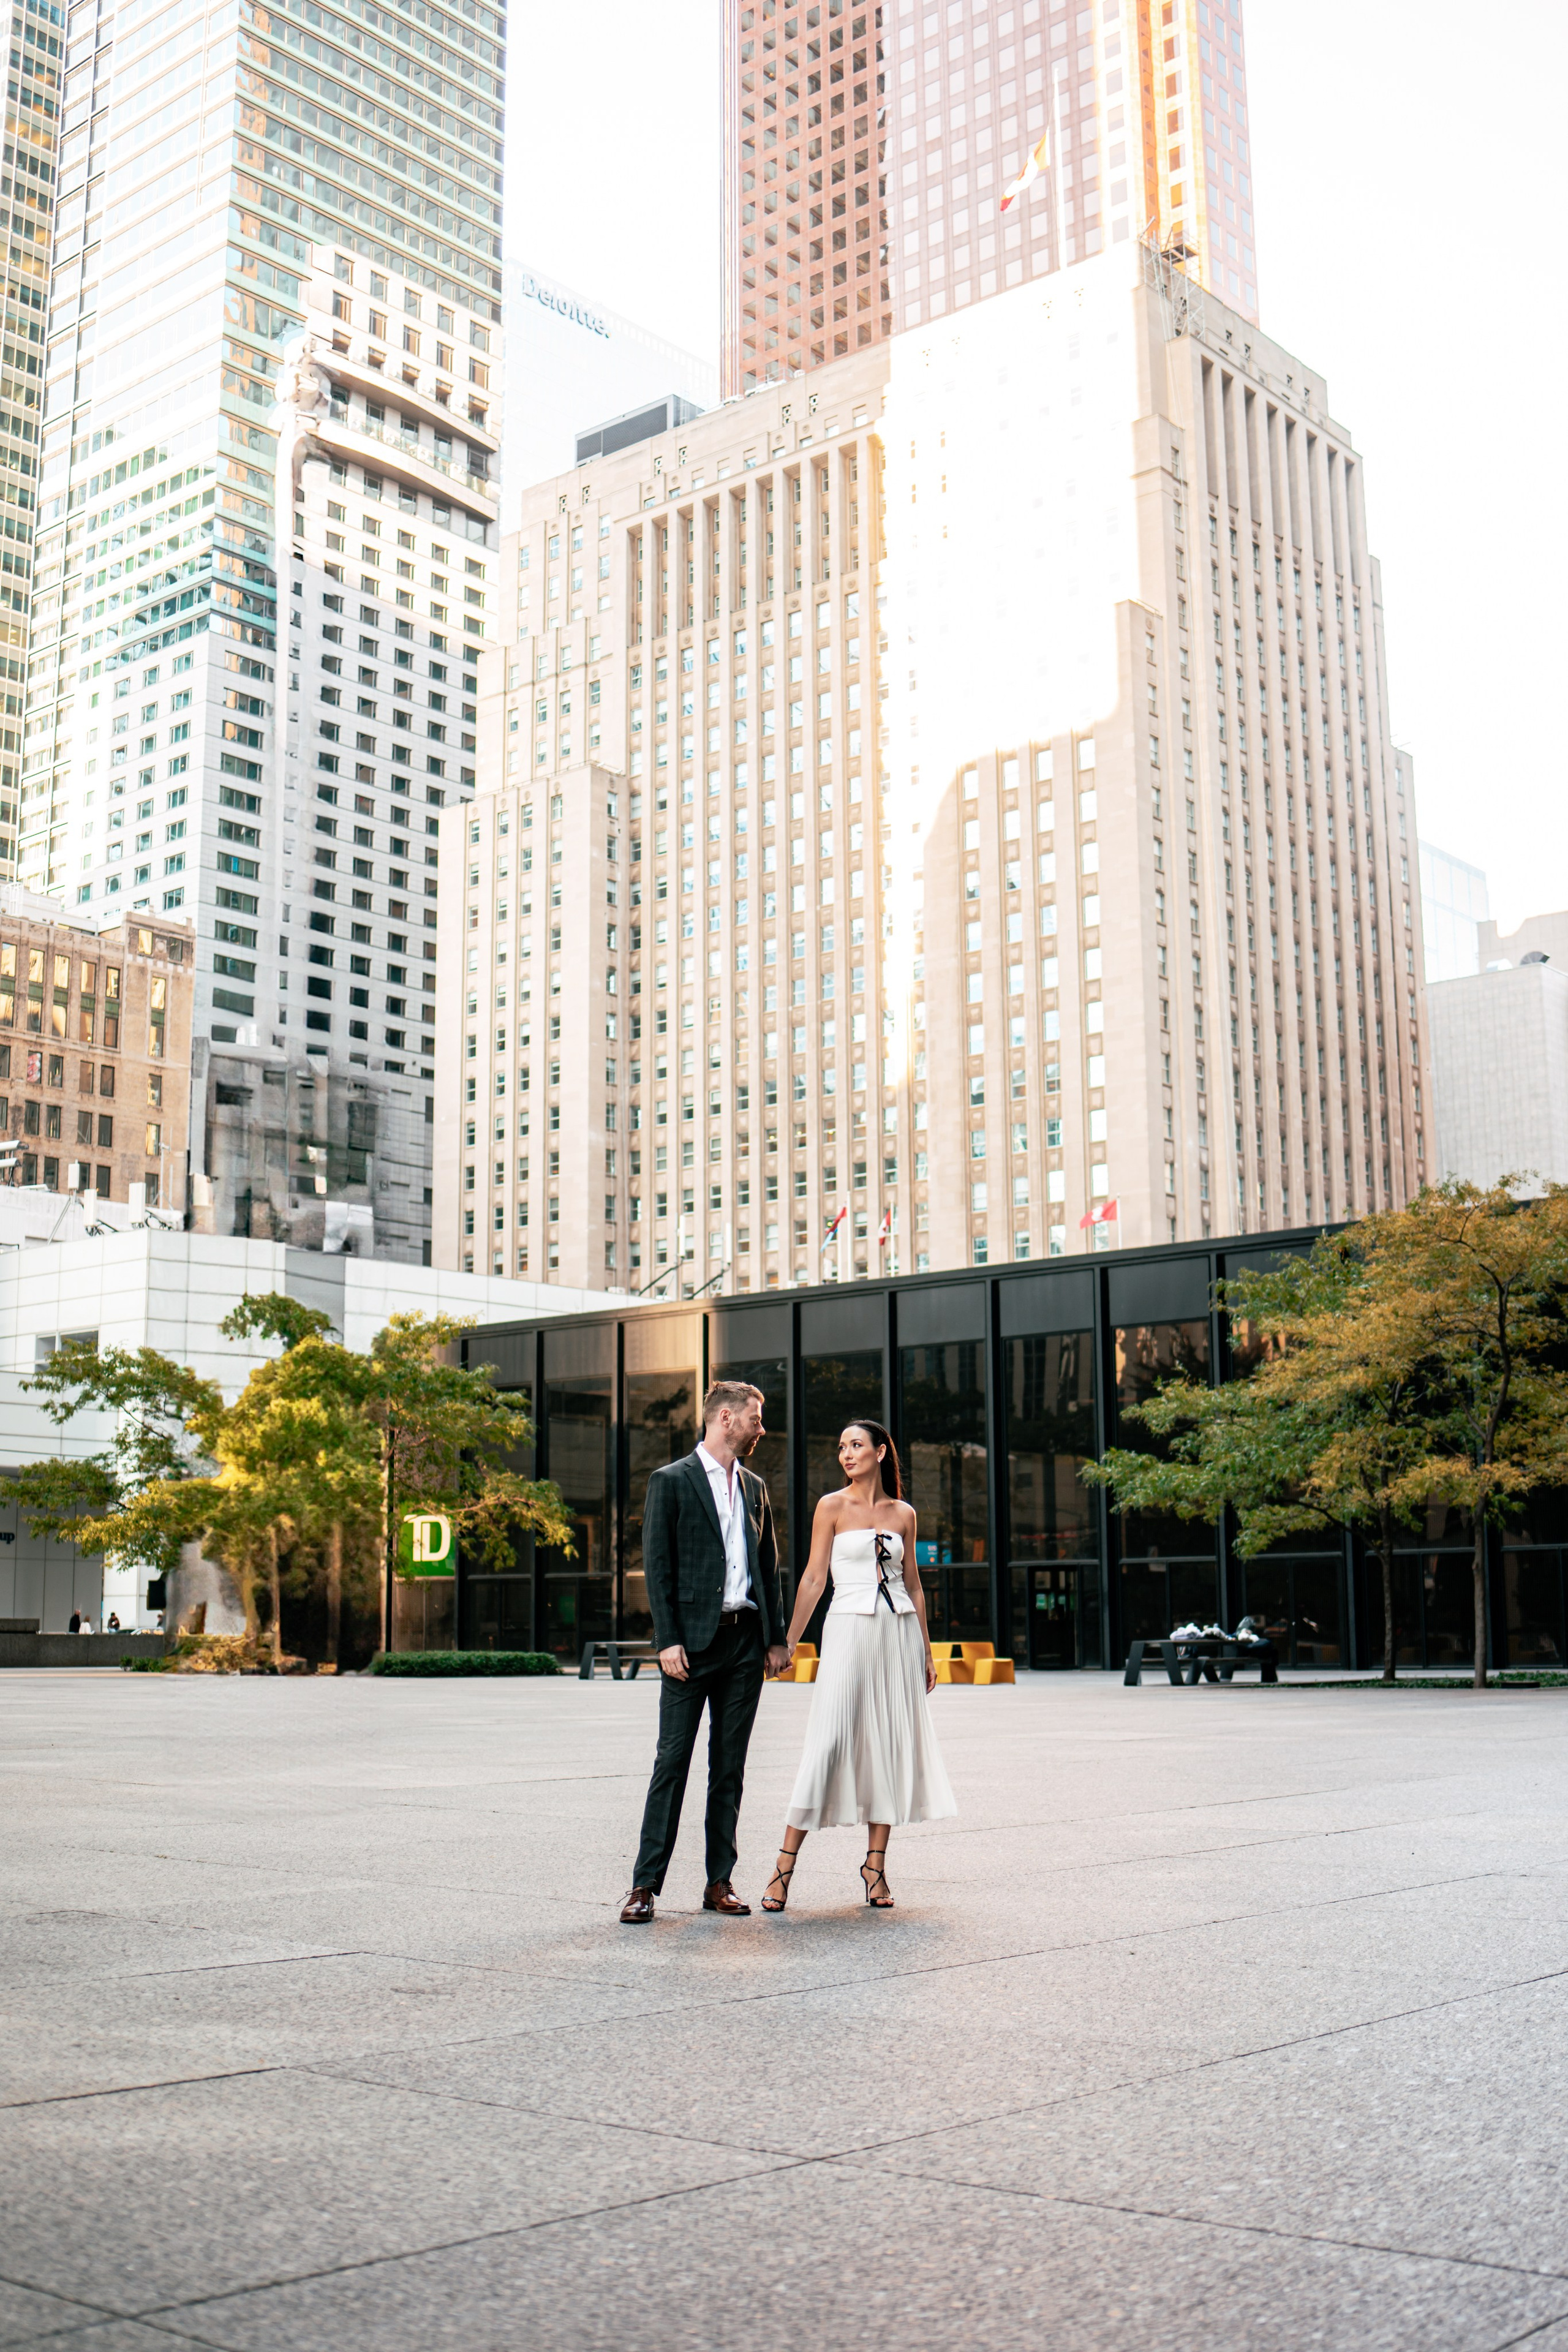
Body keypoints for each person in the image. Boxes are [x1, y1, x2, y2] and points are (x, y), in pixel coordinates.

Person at [762, 1420, 956, 1913]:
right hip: (847, 1630)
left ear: (881, 1451)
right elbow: (812, 1578)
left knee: (888, 1745)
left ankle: (875, 1867)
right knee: (828, 1741)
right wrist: (787, 1641)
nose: (846, 1454)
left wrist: (925, 1652)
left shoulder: (904, 1514)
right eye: (842, 1447)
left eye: (856, 1445)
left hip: (897, 1634)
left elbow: (913, 1586)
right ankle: (784, 1866)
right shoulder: (831, 1506)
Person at [620, 1381, 789, 1925]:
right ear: (725, 1418)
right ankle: (644, 1886)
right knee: (671, 1763)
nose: (762, 1428)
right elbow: (659, 1564)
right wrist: (666, 1638)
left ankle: (719, 1883)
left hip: (745, 1642)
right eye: (755, 1418)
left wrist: (777, 1637)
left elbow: (768, 1566)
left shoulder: (756, 1487)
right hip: (689, 1646)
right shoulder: (670, 1481)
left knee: (729, 1768)